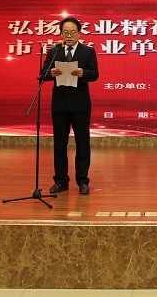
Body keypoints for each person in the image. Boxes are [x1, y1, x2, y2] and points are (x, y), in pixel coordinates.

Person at [40, 17, 99, 195]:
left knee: (82, 144)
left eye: (72, 32)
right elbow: (43, 74)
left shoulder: (87, 51)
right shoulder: (54, 51)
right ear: (61, 34)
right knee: (59, 144)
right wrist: (51, 73)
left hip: (80, 104)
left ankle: (82, 181)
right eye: (65, 32)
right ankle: (60, 180)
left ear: (79, 33)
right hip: (60, 104)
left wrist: (83, 73)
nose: (69, 35)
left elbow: (94, 74)